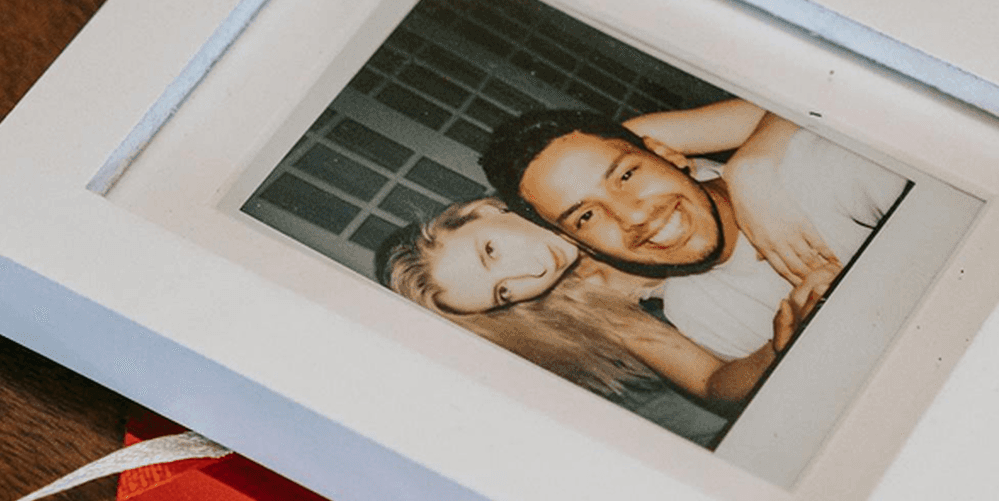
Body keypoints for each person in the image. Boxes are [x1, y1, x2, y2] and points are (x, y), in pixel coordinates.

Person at [480, 101, 907, 361]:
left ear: (666, 152)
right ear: (578, 243)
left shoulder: (824, 170)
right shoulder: (698, 318)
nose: (631, 216)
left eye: (626, 175)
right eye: (586, 217)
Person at [375, 197, 823, 411]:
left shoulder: (575, 175)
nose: (530, 272)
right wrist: (778, 344)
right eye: (503, 293)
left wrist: (750, 170)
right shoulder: (588, 299)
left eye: (491, 250)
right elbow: (711, 385)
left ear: (484, 211)